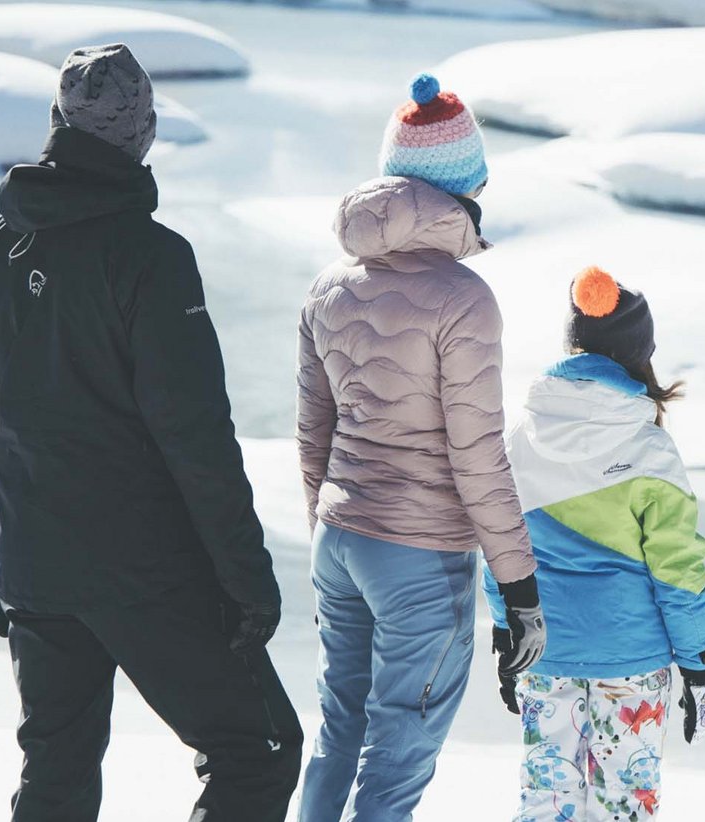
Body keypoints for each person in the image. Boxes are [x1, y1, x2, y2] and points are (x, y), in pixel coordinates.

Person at [0, 44, 302, 822]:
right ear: (141, 134)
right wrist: (246, 579)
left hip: (36, 567)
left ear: (58, 126)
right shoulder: (154, 258)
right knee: (261, 750)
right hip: (143, 571)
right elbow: (196, 436)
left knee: (56, 777)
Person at [296, 73, 546, 821]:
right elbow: (478, 456)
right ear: (463, 187)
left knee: (339, 731)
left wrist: (331, 525)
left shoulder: (329, 287)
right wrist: (520, 594)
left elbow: (315, 433)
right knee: (397, 755)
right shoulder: (464, 299)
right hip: (419, 557)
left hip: (339, 542)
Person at [488, 266, 705, 822]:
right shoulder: (648, 447)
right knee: (624, 807)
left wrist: (506, 629)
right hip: (632, 659)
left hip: (544, 651)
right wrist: (701, 665)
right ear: (639, 355)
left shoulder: (521, 437)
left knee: (547, 802)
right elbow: (678, 572)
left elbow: (496, 542)